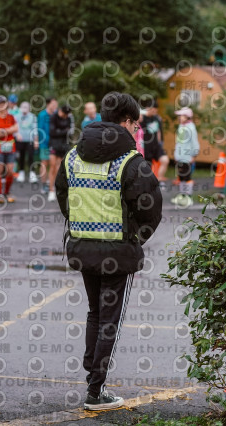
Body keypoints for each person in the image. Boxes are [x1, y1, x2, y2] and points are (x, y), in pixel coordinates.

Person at [55, 91, 162, 411]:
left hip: (83, 247)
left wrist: (82, 226)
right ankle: (95, 389)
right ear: (127, 122)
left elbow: (63, 195)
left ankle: (92, 376)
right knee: (109, 320)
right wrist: (133, 240)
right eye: (137, 126)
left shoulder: (73, 155)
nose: (137, 131)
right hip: (117, 252)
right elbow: (151, 209)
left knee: (95, 313)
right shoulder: (131, 162)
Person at [0, 95, 19, 204]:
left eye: (2, 103)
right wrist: (9, 130)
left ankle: (7, 192)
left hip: (10, 147)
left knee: (10, 171)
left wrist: (3, 131)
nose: (1, 105)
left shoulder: (11, 117)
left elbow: (16, 128)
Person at [171, 107, 200, 207]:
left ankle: (188, 197)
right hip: (180, 156)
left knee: (187, 177)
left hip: (187, 157)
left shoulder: (191, 128)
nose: (179, 117)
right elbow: (179, 143)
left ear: (187, 117)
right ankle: (182, 196)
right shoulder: (181, 127)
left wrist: (194, 155)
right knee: (181, 176)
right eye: (179, 116)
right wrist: (176, 155)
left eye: (181, 116)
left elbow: (194, 142)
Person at [48, 104, 73, 202]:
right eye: (64, 114)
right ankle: (51, 190)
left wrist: (60, 131)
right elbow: (52, 132)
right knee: (52, 166)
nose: (65, 116)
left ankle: (58, 189)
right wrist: (63, 131)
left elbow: (69, 132)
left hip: (63, 145)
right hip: (54, 144)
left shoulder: (68, 118)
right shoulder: (53, 117)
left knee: (60, 168)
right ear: (60, 111)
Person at [141, 100, 169, 185]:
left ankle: (159, 180)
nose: (154, 112)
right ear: (147, 108)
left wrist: (160, 143)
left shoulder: (157, 118)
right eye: (153, 110)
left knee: (165, 160)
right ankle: (147, 184)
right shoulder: (142, 118)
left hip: (156, 146)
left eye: (156, 110)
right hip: (145, 147)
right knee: (147, 169)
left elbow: (159, 131)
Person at [13, 101, 39, 183]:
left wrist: (36, 141)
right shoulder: (16, 116)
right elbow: (14, 127)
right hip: (20, 140)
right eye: (23, 107)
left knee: (31, 157)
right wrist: (17, 134)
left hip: (30, 140)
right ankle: (21, 172)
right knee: (21, 156)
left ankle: (32, 173)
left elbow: (35, 129)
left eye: (26, 107)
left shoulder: (33, 117)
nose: (24, 109)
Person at [37, 97, 58, 194]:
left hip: (55, 144)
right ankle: (44, 184)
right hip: (45, 144)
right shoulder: (42, 115)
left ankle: (52, 183)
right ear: (48, 104)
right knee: (45, 163)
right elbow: (40, 130)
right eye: (53, 104)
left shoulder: (57, 114)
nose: (54, 106)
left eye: (56, 104)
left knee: (54, 164)